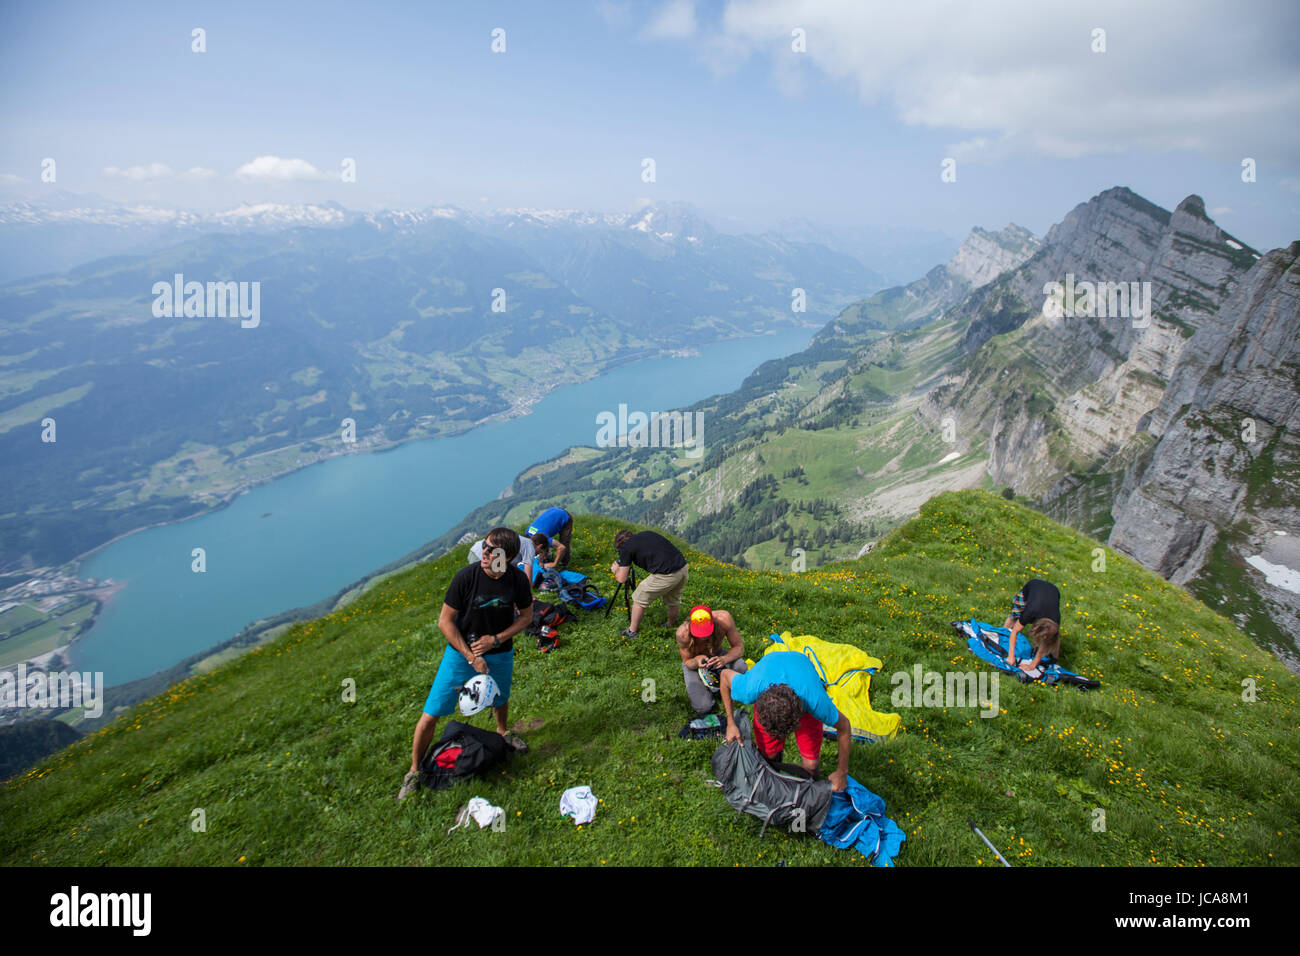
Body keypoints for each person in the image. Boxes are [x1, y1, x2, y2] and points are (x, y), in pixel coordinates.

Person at [399, 527, 533, 800]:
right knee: (432, 713)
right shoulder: (466, 578)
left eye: (491, 550)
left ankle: (503, 732)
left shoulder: (517, 580)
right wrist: (472, 657)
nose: (483, 552)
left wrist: (495, 640)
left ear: (506, 557)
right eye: (484, 546)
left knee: (500, 697)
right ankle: (413, 772)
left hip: (500, 652)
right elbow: (444, 621)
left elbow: (527, 617)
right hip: (460, 654)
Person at [719, 651, 851, 791]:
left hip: (800, 668)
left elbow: (844, 727)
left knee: (811, 765)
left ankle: (809, 790)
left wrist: (842, 772)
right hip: (770, 668)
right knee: (768, 754)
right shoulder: (750, 689)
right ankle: (772, 781)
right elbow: (724, 676)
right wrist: (731, 723)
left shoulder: (816, 702)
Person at [610, 529, 689, 639]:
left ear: (620, 545)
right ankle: (670, 624)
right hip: (682, 567)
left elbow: (622, 579)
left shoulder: (626, 548)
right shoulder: (646, 534)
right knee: (673, 599)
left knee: (639, 598)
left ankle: (631, 632)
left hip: (667, 574)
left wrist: (615, 570)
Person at [676, 604, 747, 715]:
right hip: (695, 662)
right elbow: (687, 661)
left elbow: (739, 647)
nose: (703, 637)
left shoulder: (724, 619)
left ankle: (721, 684)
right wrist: (696, 661)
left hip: (717, 654)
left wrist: (724, 659)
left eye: (706, 632)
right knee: (703, 707)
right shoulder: (682, 634)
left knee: (741, 667)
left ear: (713, 622)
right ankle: (712, 686)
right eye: (699, 633)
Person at [1003, 578, 1062, 673]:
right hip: (1032, 586)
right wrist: (1011, 656)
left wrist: (1033, 664)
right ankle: (1002, 635)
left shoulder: (1055, 620)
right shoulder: (1030, 612)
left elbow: (1046, 642)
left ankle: (1055, 660)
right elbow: (1015, 631)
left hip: (1053, 591)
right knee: (1014, 617)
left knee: (1052, 638)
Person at [468, 534, 535, 579]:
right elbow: (528, 572)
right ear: (539, 546)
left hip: (478, 549)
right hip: (479, 554)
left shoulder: (523, 542)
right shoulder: (529, 545)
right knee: (481, 579)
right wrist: (528, 594)